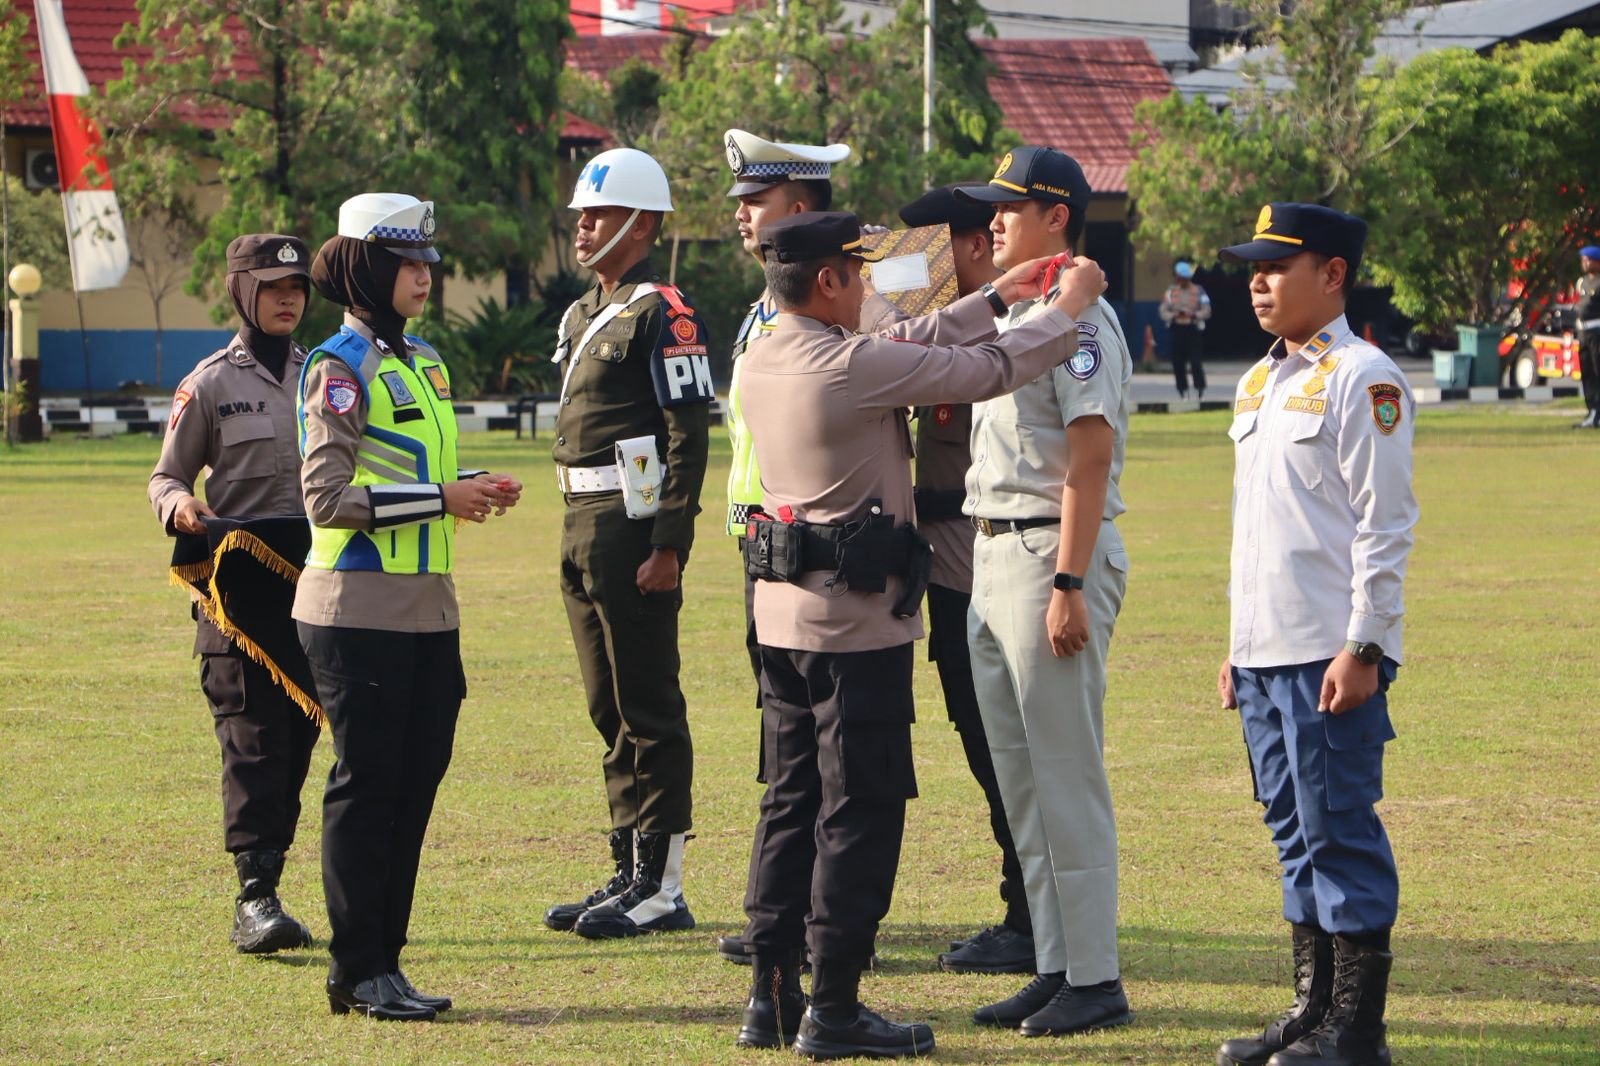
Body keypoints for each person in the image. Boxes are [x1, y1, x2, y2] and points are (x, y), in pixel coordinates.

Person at [734, 210, 1108, 1058]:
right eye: (856, 272)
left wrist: (995, 297)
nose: (867, 286)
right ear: (828, 280)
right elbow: (988, 369)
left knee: (790, 805)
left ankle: (772, 995)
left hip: (784, 618)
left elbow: (913, 341)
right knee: (860, 812)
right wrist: (1067, 307)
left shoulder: (768, 355)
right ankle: (834, 1008)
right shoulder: (850, 365)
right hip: (854, 629)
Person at [295, 192, 523, 1020]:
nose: (425, 276)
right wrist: (440, 499)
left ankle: (385, 963)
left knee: (413, 786)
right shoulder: (337, 368)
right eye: (406, 262)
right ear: (367, 268)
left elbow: (412, 470)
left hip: (427, 608)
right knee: (368, 789)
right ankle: (356, 970)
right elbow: (326, 498)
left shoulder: (423, 360)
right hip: (355, 608)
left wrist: (472, 487)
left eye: (428, 261)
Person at [1213, 202, 1417, 1066]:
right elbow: (1259, 529)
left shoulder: (1364, 377)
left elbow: (1385, 524)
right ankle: (1314, 1011)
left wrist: (1365, 645)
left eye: (1275, 266)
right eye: (1252, 269)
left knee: (1338, 830)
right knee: (1293, 833)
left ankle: (1357, 1032)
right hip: (1267, 655)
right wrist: (1238, 644)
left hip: (1329, 655)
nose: (1257, 282)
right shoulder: (1259, 381)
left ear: (1332, 275)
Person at [954, 145, 1135, 1037]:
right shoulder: (1024, 311)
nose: (994, 221)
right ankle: (1056, 963)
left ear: (1057, 216)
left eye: (1011, 207)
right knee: (1022, 784)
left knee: (1065, 775)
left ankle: (1095, 976)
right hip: (994, 553)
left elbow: (1089, 456)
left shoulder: (1081, 318)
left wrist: (1068, 580)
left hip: (1047, 555)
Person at [541, 147, 714, 941]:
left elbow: (687, 437)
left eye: (599, 215)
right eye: (580, 215)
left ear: (641, 224)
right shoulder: (583, 313)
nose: (583, 228)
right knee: (607, 704)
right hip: (579, 520)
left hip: (631, 525)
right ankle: (627, 865)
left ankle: (662, 885)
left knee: (649, 703)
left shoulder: (662, 312)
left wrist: (669, 544)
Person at [148, 234, 320, 955]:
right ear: (242, 292)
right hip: (237, 595)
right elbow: (166, 476)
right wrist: (180, 506)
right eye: (273, 287)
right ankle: (254, 899)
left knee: (300, 738)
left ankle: (273, 879)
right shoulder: (211, 383)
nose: (288, 299)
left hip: (316, 588)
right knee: (252, 738)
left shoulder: (325, 375)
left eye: (297, 287)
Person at [715, 127, 853, 967]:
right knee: (784, 741)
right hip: (762, 550)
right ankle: (784, 910)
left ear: (798, 208)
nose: (740, 215)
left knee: (818, 746)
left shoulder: (834, 308)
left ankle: (811, 918)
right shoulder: (761, 312)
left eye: (755, 201)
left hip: (812, 548)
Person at [895, 183, 1034, 977]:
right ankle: (1026, 907)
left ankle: (1031, 915)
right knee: (983, 742)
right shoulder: (942, 327)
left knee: (1003, 744)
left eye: (932, 248)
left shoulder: (1009, 332)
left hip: (990, 561)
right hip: (948, 569)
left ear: (977, 247)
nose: (916, 264)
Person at [1159, 259, 1212, 399]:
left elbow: (1207, 310)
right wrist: (1173, 315)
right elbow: (1163, 310)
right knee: (1178, 362)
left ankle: (1199, 388)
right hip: (1176, 329)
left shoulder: (1199, 291)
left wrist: (1194, 314)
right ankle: (1182, 390)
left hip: (1192, 328)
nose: (1181, 280)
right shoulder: (1171, 292)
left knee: (1195, 361)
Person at [1572, 245, 1600, 428]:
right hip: (1583, 332)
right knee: (1587, 373)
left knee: (1598, 372)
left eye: (1588, 260)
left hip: (1597, 332)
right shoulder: (1581, 282)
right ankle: (1592, 411)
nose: (1584, 263)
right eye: (1583, 260)